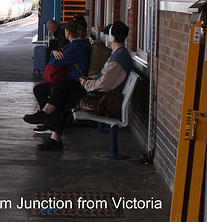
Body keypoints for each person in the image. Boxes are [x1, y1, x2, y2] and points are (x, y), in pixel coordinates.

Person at [25, 20, 132, 151]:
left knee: (62, 92)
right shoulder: (118, 54)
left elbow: (104, 84)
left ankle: (50, 125)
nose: (106, 37)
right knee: (62, 89)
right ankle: (52, 131)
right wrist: (89, 79)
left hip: (101, 98)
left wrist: (86, 82)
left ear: (112, 37)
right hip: (98, 91)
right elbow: (104, 79)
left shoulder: (119, 58)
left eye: (108, 34)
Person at [24, 19, 90, 141]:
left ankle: (47, 117)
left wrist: (52, 54)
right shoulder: (76, 45)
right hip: (71, 82)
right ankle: (47, 118)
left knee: (57, 93)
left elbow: (55, 62)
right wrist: (54, 52)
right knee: (43, 89)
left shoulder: (76, 48)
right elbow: (59, 54)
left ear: (68, 32)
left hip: (75, 83)